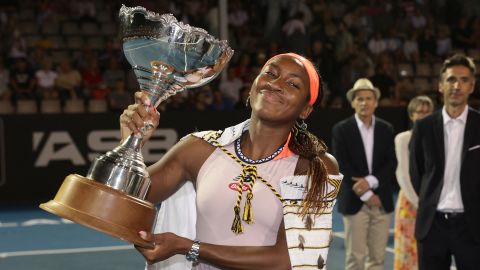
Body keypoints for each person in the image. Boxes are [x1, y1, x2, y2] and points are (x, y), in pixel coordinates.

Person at [120, 53, 343, 269]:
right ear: (253, 85)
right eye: (270, 73)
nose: (275, 84)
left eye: (293, 84)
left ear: (305, 109)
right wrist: (131, 143)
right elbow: (124, 201)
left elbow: (290, 259)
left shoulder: (316, 167)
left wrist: (189, 246)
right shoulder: (198, 149)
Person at [409, 54, 480, 270]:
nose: (457, 85)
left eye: (464, 80)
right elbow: (417, 173)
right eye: (451, 79)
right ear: (440, 85)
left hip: (472, 227)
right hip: (433, 226)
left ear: (472, 86)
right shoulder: (423, 127)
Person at [332, 78, 397, 270]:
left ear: (375, 102)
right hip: (354, 202)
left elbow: (391, 162)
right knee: (355, 259)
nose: (364, 102)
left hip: (381, 201)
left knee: (377, 259)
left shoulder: (386, 129)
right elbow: (341, 165)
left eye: (368, 98)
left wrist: (370, 182)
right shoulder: (341, 130)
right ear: (353, 102)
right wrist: (367, 194)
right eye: (359, 98)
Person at [393, 96, 434, 270]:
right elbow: (402, 175)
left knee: (430, 253)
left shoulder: (437, 138)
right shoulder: (403, 139)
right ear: (411, 115)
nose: (423, 116)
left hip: (432, 204)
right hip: (410, 204)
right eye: (419, 112)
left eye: (427, 112)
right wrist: (419, 203)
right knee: (407, 252)